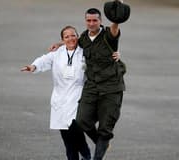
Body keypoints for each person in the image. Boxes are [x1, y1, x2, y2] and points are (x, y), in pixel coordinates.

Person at [20, 26, 120, 160]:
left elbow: (102, 54)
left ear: (78, 37)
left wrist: (116, 54)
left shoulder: (85, 51)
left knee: (75, 130)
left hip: (79, 97)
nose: (70, 39)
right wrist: (33, 66)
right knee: (67, 139)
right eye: (66, 37)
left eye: (73, 35)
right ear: (62, 39)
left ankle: (88, 153)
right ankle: (84, 155)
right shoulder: (57, 53)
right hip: (60, 99)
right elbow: (44, 60)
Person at [49, 4, 127, 160]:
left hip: (111, 87)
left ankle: (97, 155)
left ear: (100, 21)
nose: (92, 23)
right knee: (81, 121)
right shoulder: (83, 38)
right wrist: (60, 44)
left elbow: (114, 32)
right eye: (88, 20)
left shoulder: (107, 35)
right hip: (92, 86)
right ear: (85, 21)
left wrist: (116, 21)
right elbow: (72, 42)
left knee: (105, 128)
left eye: (95, 20)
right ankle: (101, 143)